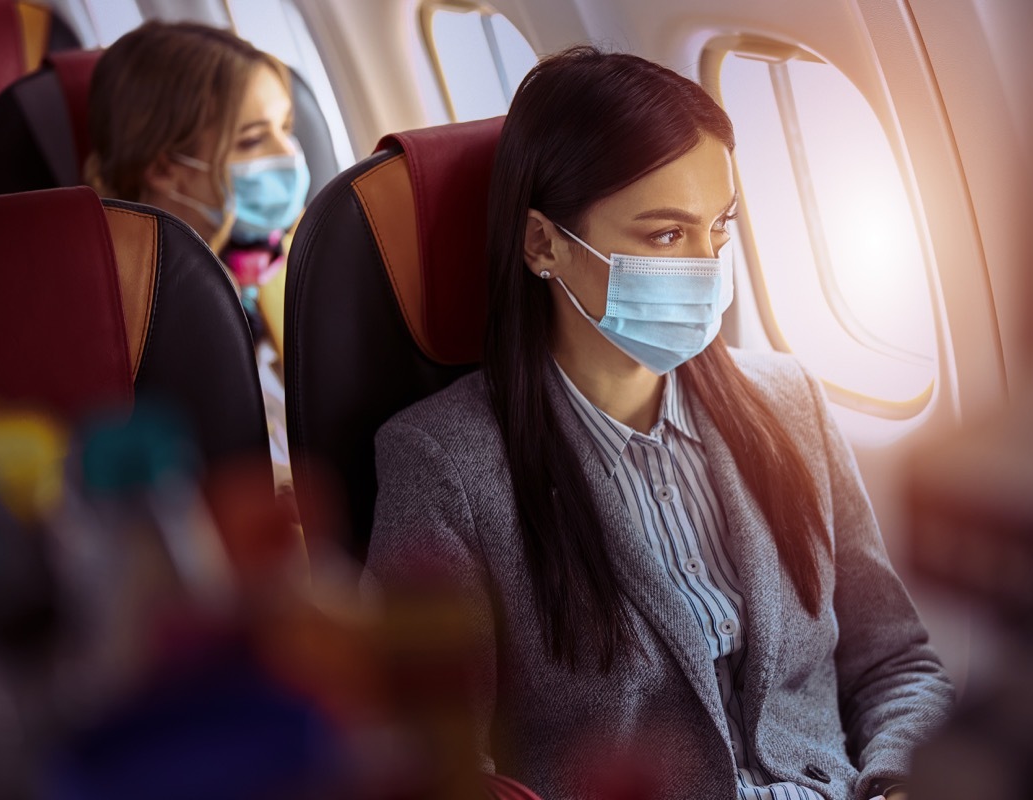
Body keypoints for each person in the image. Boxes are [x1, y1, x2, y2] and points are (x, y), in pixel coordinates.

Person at [366, 46, 953, 800]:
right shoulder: (444, 466)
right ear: (543, 244)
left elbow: (895, 663)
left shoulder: (788, 400)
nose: (708, 268)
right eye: (667, 236)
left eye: (721, 228)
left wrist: (898, 782)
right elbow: (438, 770)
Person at [85, 21, 311, 487]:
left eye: (285, 128)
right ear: (167, 168)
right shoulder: (115, 317)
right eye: (252, 139)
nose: (288, 153)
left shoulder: (290, 261)